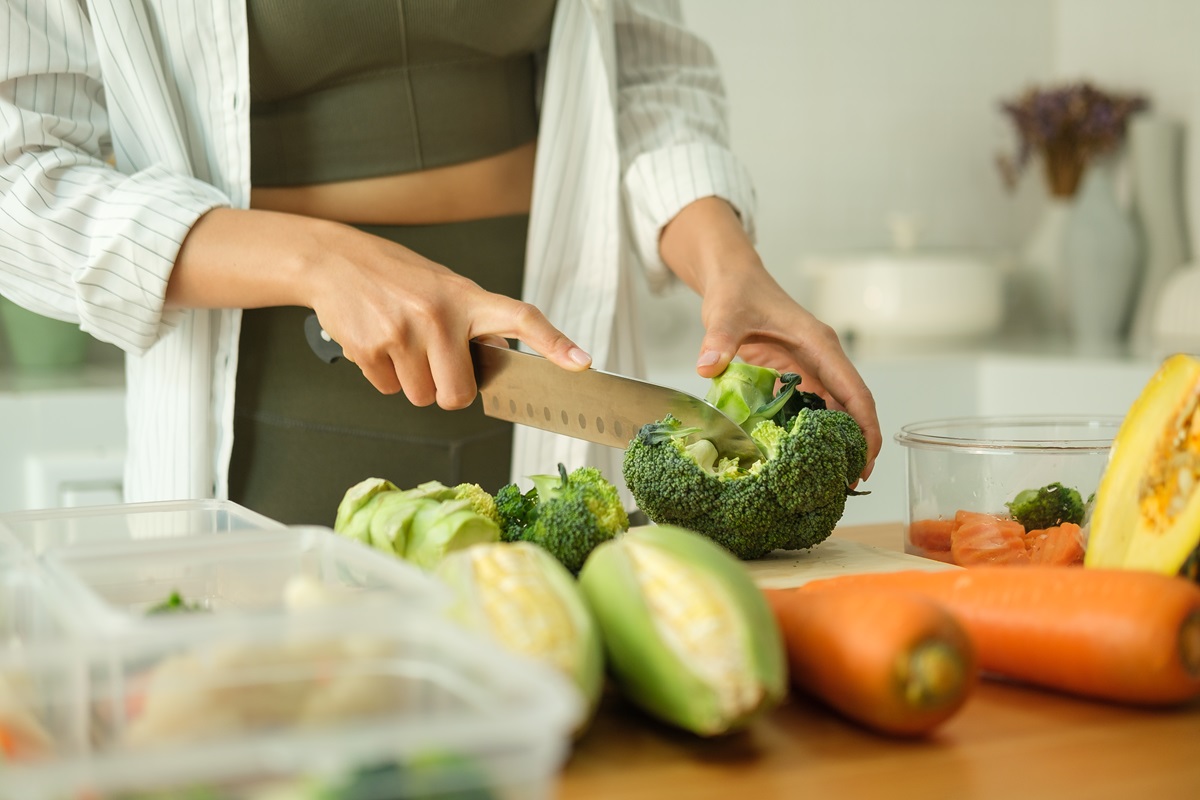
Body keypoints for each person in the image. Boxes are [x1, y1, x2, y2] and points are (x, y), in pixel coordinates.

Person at [0, 0, 880, 526]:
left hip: (550, 372)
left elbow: (642, 71)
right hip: (266, 412)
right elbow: (18, 174)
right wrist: (323, 263)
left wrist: (727, 262)